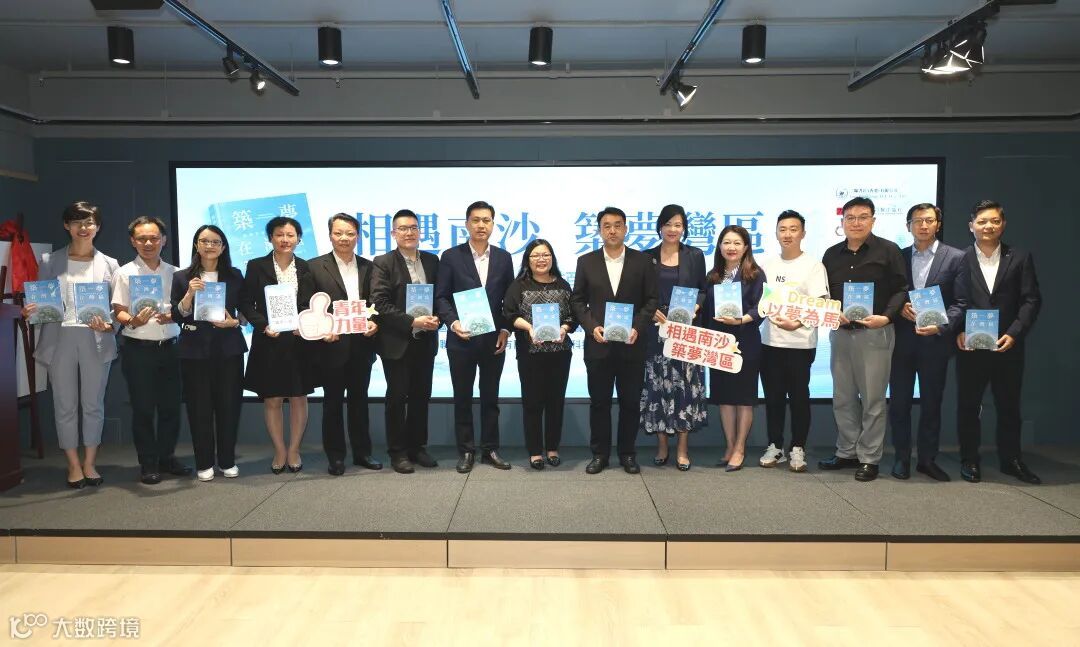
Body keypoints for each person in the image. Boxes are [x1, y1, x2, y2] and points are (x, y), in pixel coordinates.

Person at [25, 201, 118, 489]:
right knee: (64, 404)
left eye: (89, 222)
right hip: (59, 338)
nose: (83, 227)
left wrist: (110, 323)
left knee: (93, 404)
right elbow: (41, 301)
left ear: (97, 226)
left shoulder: (110, 264)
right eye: (77, 221)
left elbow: (117, 308)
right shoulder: (49, 261)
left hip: (96, 339)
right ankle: (73, 464)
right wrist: (31, 310)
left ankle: (90, 462)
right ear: (67, 225)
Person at [819, 196, 908, 482]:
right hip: (841, 334)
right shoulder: (831, 254)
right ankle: (847, 451)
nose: (856, 223)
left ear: (873, 220)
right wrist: (831, 310)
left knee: (873, 399)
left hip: (875, 333)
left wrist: (887, 317)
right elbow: (823, 293)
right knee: (843, 397)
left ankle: (869, 457)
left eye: (862, 217)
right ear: (842, 221)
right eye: (850, 217)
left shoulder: (888, 250)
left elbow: (901, 289)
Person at [954, 200, 1042, 484]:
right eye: (981, 221)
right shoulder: (959, 258)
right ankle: (969, 459)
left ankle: (1011, 459)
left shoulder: (1020, 257)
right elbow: (953, 300)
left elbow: (1031, 300)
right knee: (968, 405)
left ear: (1003, 225)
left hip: (1007, 345)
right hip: (970, 346)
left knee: (1009, 405)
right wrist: (958, 331)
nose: (988, 226)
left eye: (994, 221)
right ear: (971, 226)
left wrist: (1014, 332)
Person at [570, 206, 658, 475]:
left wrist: (637, 327)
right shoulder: (586, 261)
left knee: (630, 403)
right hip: (599, 346)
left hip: (632, 345)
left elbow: (651, 300)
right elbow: (577, 300)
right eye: (606, 226)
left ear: (626, 229)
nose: (612, 230)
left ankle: (628, 454)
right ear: (599, 230)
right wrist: (591, 327)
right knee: (599, 403)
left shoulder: (643, 261)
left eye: (618, 225)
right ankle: (600, 455)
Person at [435, 200, 515, 473]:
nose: (481, 225)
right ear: (467, 224)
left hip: (493, 340)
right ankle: (466, 450)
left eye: (487, 220)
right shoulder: (451, 256)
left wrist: (505, 329)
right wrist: (453, 322)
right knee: (463, 397)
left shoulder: (504, 258)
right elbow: (441, 297)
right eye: (476, 220)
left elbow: (509, 301)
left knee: (491, 397)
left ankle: (490, 449)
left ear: (493, 224)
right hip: (462, 340)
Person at [887, 203, 965, 481]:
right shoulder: (898, 256)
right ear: (908, 225)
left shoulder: (956, 257)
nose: (923, 225)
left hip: (935, 343)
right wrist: (899, 308)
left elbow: (961, 302)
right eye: (917, 220)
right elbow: (890, 293)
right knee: (899, 403)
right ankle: (901, 457)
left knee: (932, 403)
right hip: (902, 341)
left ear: (938, 224)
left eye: (929, 220)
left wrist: (941, 326)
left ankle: (927, 459)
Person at [300, 213, 382, 476]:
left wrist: (375, 322)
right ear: (330, 235)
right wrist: (322, 328)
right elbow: (305, 305)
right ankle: (335, 456)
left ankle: (363, 453)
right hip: (331, 347)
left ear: (357, 236)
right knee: (332, 403)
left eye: (350, 233)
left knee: (360, 401)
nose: (344, 238)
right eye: (338, 233)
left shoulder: (370, 267)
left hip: (361, 345)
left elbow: (377, 302)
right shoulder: (313, 267)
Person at [111, 216, 188, 485]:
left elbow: (183, 309)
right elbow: (118, 311)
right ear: (133, 241)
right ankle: (148, 462)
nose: (148, 243)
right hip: (139, 350)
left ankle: (166, 457)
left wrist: (175, 316)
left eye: (154, 238)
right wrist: (133, 320)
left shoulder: (177, 273)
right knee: (143, 409)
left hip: (172, 349)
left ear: (163, 240)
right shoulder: (124, 273)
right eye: (142, 238)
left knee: (171, 408)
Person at [240, 216, 315, 475]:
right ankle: (279, 450)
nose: (285, 239)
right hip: (268, 340)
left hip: (298, 341)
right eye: (279, 235)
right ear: (270, 238)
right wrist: (263, 325)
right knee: (272, 398)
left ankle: (294, 449)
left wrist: (304, 322)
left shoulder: (306, 267)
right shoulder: (256, 266)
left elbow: (309, 303)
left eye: (290, 235)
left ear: (299, 239)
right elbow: (246, 302)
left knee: (298, 397)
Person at [171, 225, 247, 481]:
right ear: (196, 245)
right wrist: (190, 294)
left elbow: (244, 311)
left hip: (229, 349)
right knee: (199, 408)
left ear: (223, 247)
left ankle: (227, 460)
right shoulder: (182, 277)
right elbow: (176, 314)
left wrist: (234, 322)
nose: (210, 246)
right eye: (204, 241)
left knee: (229, 407)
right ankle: (204, 462)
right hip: (194, 351)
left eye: (215, 242)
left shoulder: (235, 275)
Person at [370, 209, 441, 474]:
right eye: (402, 228)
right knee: (397, 398)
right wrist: (412, 321)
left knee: (421, 396)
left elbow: (440, 297)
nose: (409, 233)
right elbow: (380, 303)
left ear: (420, 231)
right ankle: (398, 452)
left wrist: (437, 318)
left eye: (413, 228)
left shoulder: (432, 260)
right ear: (393, 233)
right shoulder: (383, 262)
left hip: (426, 340)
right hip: (397, 342)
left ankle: (417, 447)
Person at [758, 210, 829, 473]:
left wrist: (797, 323)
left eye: (793, 229)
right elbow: (761, 302)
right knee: (773, 397)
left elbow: (820, 303)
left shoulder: (813, 266)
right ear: (776, 233)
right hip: (770, 341)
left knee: (799, 397)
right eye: (783, 229)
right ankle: (775, 445)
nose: (787, 234)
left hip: (801, 343)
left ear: (803, 233)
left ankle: (798, 447)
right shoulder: (767, 265)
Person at [641, 204, 708, 471]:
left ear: (684, 228)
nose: (672, 229)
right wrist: (650, 311)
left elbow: (703, 289)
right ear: (660, 227)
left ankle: (682, 448)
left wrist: (696, 306)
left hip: (685, 331)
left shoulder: (695, 255)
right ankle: (662, 446)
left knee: (685, 387)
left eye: (678, 225)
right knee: (657, 387)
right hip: (656, 331)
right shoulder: (646, 257)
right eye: (668, 224)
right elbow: (639, 293)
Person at [502, 239, 577, 469]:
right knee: (532, 403)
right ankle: (535, 451)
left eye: (546, 255)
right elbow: (509, 314)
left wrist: (564, 328)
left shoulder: (563, 285)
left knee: (556, 402)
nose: (541, 259)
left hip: (560, 353)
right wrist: (530, 328)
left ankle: (552, 448)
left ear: (552, 258)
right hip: (530, 354)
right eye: (536, 255)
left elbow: (573, 315)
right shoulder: (518, 286)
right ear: (528, 260)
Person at [706, 225, 765, 472]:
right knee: (725, 398)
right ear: (720, 246)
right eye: (727, 242)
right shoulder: (713, 276)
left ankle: (740, 448)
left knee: (743, 399)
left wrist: (741, 320)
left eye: (737, 243)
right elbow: (705, 310)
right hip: (718, 343)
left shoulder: (755, 274)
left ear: (746, 247)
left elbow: (762, 307)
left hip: (745, 342)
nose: (731, 247)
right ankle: (729, 446)